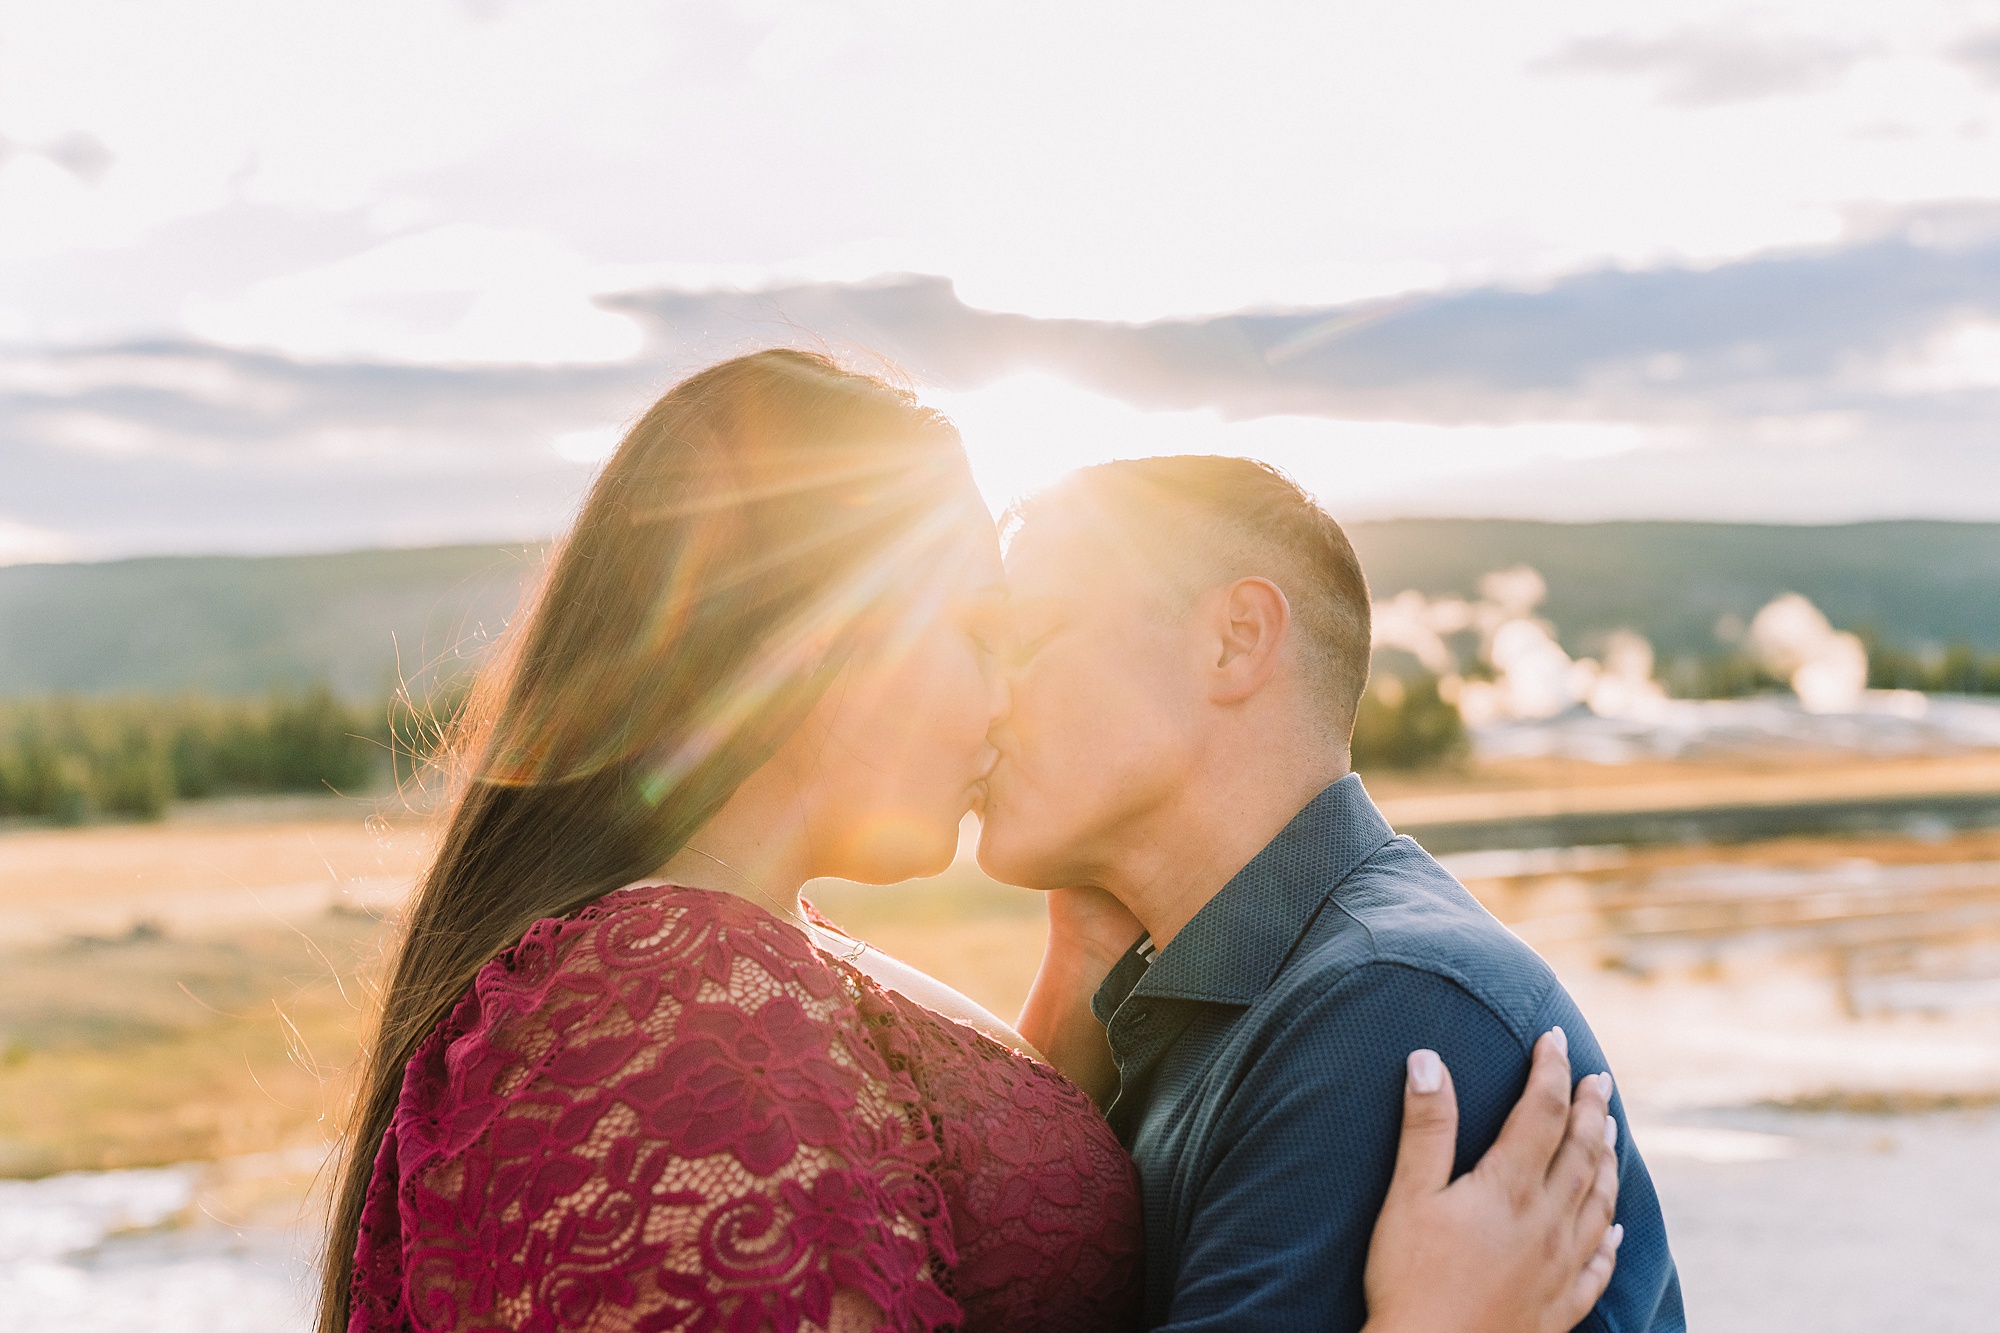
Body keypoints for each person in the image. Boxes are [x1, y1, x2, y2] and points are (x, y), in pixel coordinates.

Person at [321, 350, 1623, 1333]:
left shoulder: (750, 957)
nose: (1005, 700)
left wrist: (1071, 1000)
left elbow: (919, 1205)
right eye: (980, 636)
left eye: (1026, 639)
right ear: (828, 636)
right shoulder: (679, 994)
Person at [978, 454, 1686, 1332]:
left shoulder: (1389, 1012)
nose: (985, 696)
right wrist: (1082, 971)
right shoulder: (1223, 984)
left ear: (1236, 639)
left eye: (1028, 638)